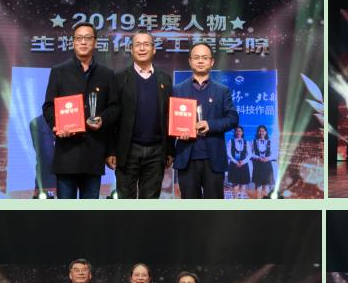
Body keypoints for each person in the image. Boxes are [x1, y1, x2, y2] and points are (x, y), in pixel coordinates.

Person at [42, 22, 119, 199]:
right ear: (73, 42)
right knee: (66, 211)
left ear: (95, 42)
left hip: (94, 154)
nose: (83, 42)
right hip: (66, 153)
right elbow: (48, 106)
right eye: (79, 38)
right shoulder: (59, 71)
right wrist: (57, 126)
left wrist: (102, 119)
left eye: (88, 38)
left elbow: (115, 107)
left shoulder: (106, 74)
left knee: (89, 211)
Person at [107, 31, 173, 199]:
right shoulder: (119, 78)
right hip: (127, 150)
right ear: (131, 49)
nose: (142, 48)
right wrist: (111, 150)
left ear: (154, 49)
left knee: (150, 202)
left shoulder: (165, 79)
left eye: (146, 44)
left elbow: (169, 117)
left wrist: (170, 150)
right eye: (138, 45)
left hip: (156, 151)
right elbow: (112, 116)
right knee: (125, 200)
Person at [172, 43, 239, 199]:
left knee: (214, 208)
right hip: (187, 158)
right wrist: (178, 132)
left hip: (213, 159)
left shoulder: (222, 91)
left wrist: (210, 125)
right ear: (190, 61)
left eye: (204, 57)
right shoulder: (177, 89)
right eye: (196, 57)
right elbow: (170, 120)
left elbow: (233, 118)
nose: (200, 61)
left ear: (211, 62)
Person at [226, 126, 251, 197]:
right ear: (235, 132)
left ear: (242, 132)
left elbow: (249, 154)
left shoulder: (246, 142)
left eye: (240, 131)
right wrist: (235, 162)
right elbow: (228, 153)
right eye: (236, 131)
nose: (238, 132)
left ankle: (242, 200)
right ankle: (235, 200)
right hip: (234, 165)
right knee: (235, 184)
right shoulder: (231, 141)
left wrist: (243, 162)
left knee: (243, 185)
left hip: (244, 165)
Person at [251, 125, 275, 198]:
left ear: (266, 132)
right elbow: (250, 154)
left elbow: (274, 154)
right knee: (258, 185)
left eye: (263, 131)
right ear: (257, 132)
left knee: (266, 186)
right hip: (258, 165)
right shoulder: (253, 141)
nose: (261, 133)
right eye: (260, 131)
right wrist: (258, 158)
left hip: (267, 165)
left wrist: (268, 158)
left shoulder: (270, 142)